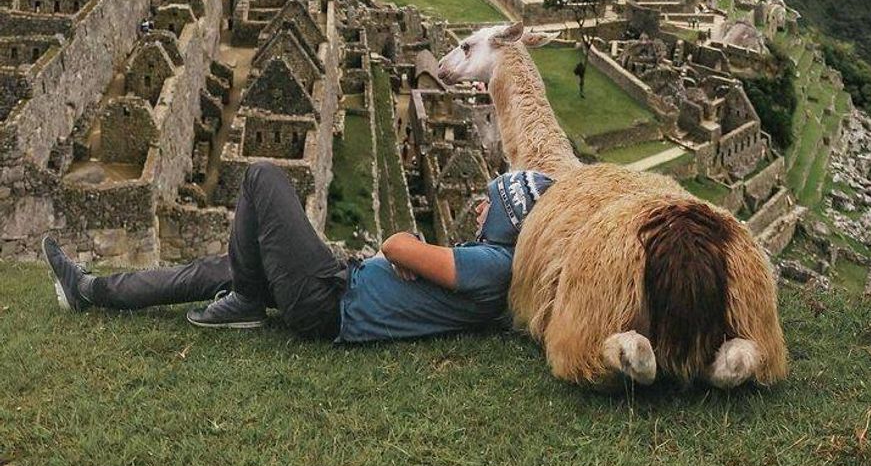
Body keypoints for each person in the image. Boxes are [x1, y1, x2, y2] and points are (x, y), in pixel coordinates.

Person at [41, 162, 553, 343]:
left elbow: (395, 244)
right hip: (333, 289)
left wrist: (409, 246)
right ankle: (89, 290)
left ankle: (245, 300)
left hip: (330, 301)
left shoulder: (494, 266)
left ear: (512, 214)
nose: (479, 204)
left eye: (492, 199)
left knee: (262, 176)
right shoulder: (491, 265)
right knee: (213, 270)